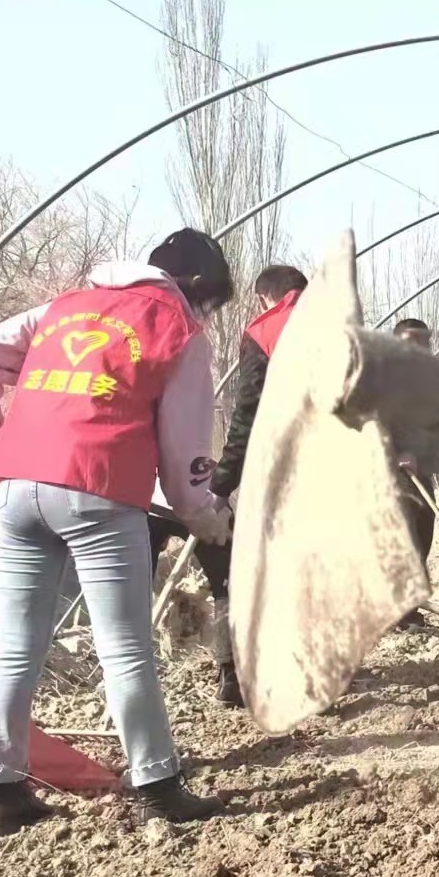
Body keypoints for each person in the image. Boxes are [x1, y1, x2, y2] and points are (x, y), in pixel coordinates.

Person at [0, 227, 237, 835]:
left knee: (15, 643)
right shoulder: (176, 328)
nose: (205, 314)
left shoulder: (64, 308)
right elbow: (186, 448)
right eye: (209, 300)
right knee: (125, 646)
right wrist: (206, 517)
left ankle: (3, 791)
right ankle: (158, 783)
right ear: (192, 286)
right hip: (99, 490)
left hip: (18, 488)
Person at [191, 263, 309, 706]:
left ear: (266, 298)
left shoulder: (265, 331)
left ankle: (241, 677)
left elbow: (249, 413)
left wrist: (222, 484)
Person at [388, 318, 439, 616]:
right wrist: (395, 454)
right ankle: (401, 612)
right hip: (396, 474)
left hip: (423, 471)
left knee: (423, 535)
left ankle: (410, 606)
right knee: (406, 541)